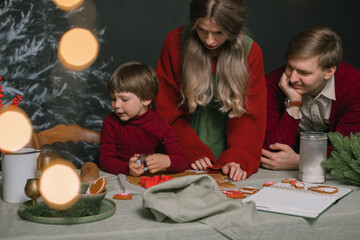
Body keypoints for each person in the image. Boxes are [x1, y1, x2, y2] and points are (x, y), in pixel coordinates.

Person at [155, 0, 267, 181]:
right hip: (178, 150)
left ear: (234, 30)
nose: (209, 40)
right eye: (201, 30)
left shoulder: (252, 52)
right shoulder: (174, 42)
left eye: (219, 33)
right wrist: (188, 148)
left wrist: (237, 156)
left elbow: (250, 116)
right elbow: (167, 108)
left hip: (230, 150)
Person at [262, 27, 360, 170]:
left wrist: (301, 161)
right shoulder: (272, 84)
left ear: (329, 72)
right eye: (290, 67)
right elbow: (271, 153)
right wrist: (293, 104)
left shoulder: (355, 87)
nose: (293, 78)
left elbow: (347, 150)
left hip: (332, 175)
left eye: (304, 72)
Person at [99, 62, 188, 176]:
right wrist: (128, 169)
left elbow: (182, 161)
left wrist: (167, 161)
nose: (116, 105)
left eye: (124, 99)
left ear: (146, 99)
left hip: (146, 182)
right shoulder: (110, 122)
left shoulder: (160, 125)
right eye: (113, 98)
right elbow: (105, 161)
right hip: (118, 178)